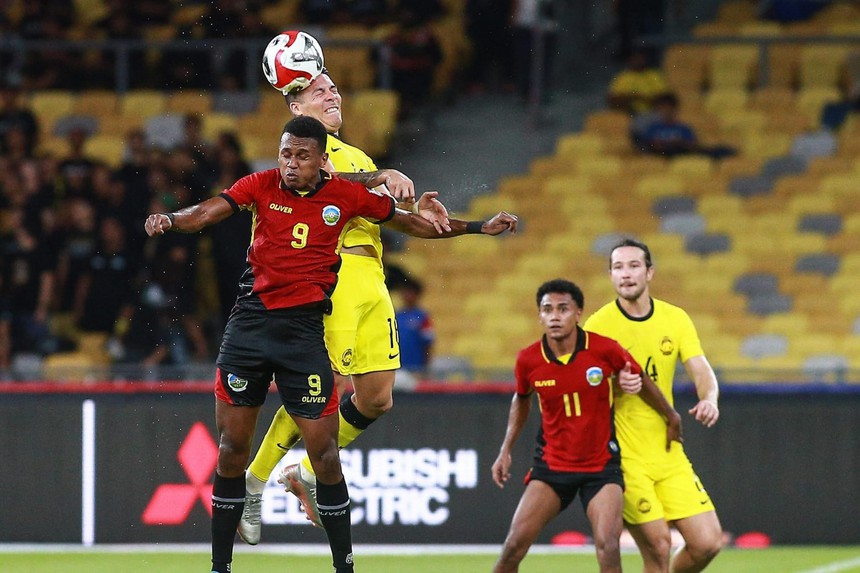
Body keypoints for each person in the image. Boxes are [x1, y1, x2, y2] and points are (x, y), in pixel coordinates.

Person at [238, 70, 519, 541]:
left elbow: (397, 219)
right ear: (295, 108)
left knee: (376, 397)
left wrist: (473, 226)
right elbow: (323, 182)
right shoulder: (300, 155)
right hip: (331, 274)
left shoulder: (358, 156)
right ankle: (256, 478)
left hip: (372, 279)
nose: (332, 96)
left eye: (333, 89)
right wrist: (381, 175)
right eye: (319, 92)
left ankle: (304, 470)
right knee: (328, 383)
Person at [143, 115, 406, 573]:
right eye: (285, 153)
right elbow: (208, 211)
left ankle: (343, 565)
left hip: (303, 334)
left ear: (320, 158)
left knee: (327, 452)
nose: (289, 163)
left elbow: (405, 220)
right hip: (248, 329)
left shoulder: (342, 189)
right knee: (229, 449)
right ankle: (220, 564)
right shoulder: (262, 184)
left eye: (300, 155)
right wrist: (172, 219)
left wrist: (475, 227)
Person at [491, 278, 681, 573]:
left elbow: (640, 378)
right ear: (539, 315)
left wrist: (671, 415)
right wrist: (505, 450)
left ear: (578, 312)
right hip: (552, 467)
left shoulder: (604, 349)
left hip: (601, 468)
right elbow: (522, 399)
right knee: (513, 547)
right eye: (548, 309)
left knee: (608, 545)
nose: (555, 316)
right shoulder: (528, 360)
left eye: (563, 309)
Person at [584, 238, 723, 573]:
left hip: (668, 450)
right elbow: (583, 394)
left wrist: (709, 399)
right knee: (659, 546)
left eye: (634, 266)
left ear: (650, 272)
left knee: (707, 543)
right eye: (618, 267)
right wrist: (614, 386)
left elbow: (700, 368)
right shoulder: (597, 328)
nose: (626, 274)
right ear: (610, 276)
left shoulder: (675, 319)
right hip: (625, 455)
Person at [393, 276, 434, 382]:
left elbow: (428, 344)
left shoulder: (423, 317)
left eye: (410, 292)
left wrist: (426, 369)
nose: (407, 295)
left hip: (416, 370)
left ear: (416, 295)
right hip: (397, 368)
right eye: (405, 292)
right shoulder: (396, 315)